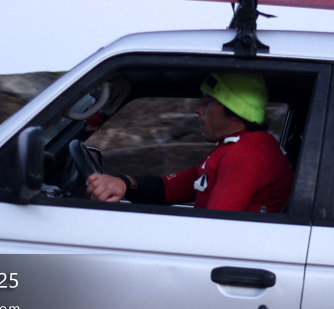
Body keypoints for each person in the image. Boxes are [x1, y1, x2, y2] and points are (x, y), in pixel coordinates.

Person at [85, 72, 294, 213]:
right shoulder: (235, 147)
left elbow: (212, 227)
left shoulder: (246, 153)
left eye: (208, 103)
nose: (198, 110)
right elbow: (168, 189)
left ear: (234, 110)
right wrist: (123, 183)